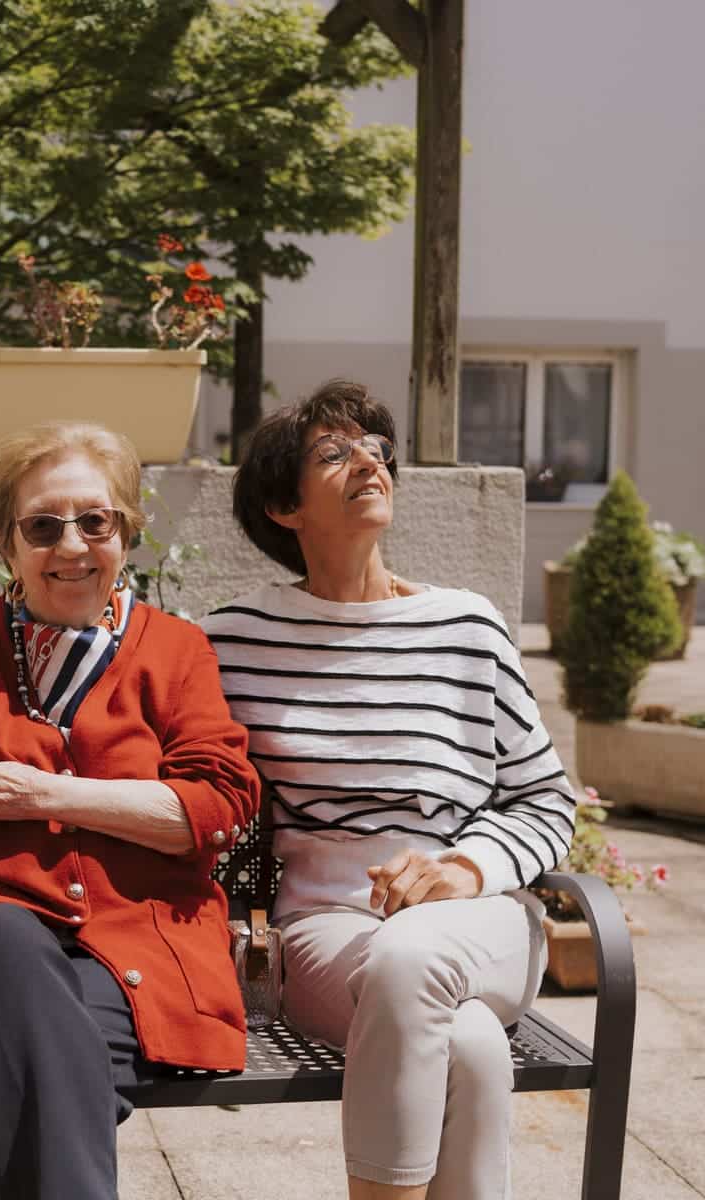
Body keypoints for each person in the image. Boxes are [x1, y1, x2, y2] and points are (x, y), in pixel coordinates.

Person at [0, 420, 260, 1200]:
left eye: (94, 521)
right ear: (6, 546)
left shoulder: (177, 651)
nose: (71, 545)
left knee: (39, 1050)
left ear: (126, 532)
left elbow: (217, 804)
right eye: (42, 526)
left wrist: (44, 793)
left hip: (143, 955)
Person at [200, 380, 575, 1200]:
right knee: (471, 1046)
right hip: (325, 929)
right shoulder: (237, 636)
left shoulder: (467, 626)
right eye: (333, 454)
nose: (369, 461)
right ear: (283, 509)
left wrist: (465, 869)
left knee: (415, 953)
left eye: (374, 447)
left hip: (480, 918)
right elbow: (117, 692)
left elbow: (547, 798)